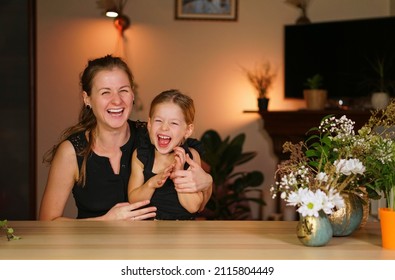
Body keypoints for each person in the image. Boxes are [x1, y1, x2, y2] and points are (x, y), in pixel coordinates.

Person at [39, 55, 212, 221]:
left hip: (149, 248)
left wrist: (208, 182)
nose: (117, 101)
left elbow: (199, 203)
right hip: (92, 248)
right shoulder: (72, 151)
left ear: (132, 94)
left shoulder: (155, 136)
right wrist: (104, 221)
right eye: (105, 92)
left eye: (123, 90)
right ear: (87, 98)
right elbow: (47, 222)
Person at [128, 90, 203, 220]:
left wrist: (178, 175)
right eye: (158, 121)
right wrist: (151, 183)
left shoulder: (191, 157)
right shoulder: (141, 156)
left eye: (173, 123)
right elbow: (133, 201)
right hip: (148, 230)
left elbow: (194, 207)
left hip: (183, 231)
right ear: (149, 124)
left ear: (188, 130)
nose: (164, 128)